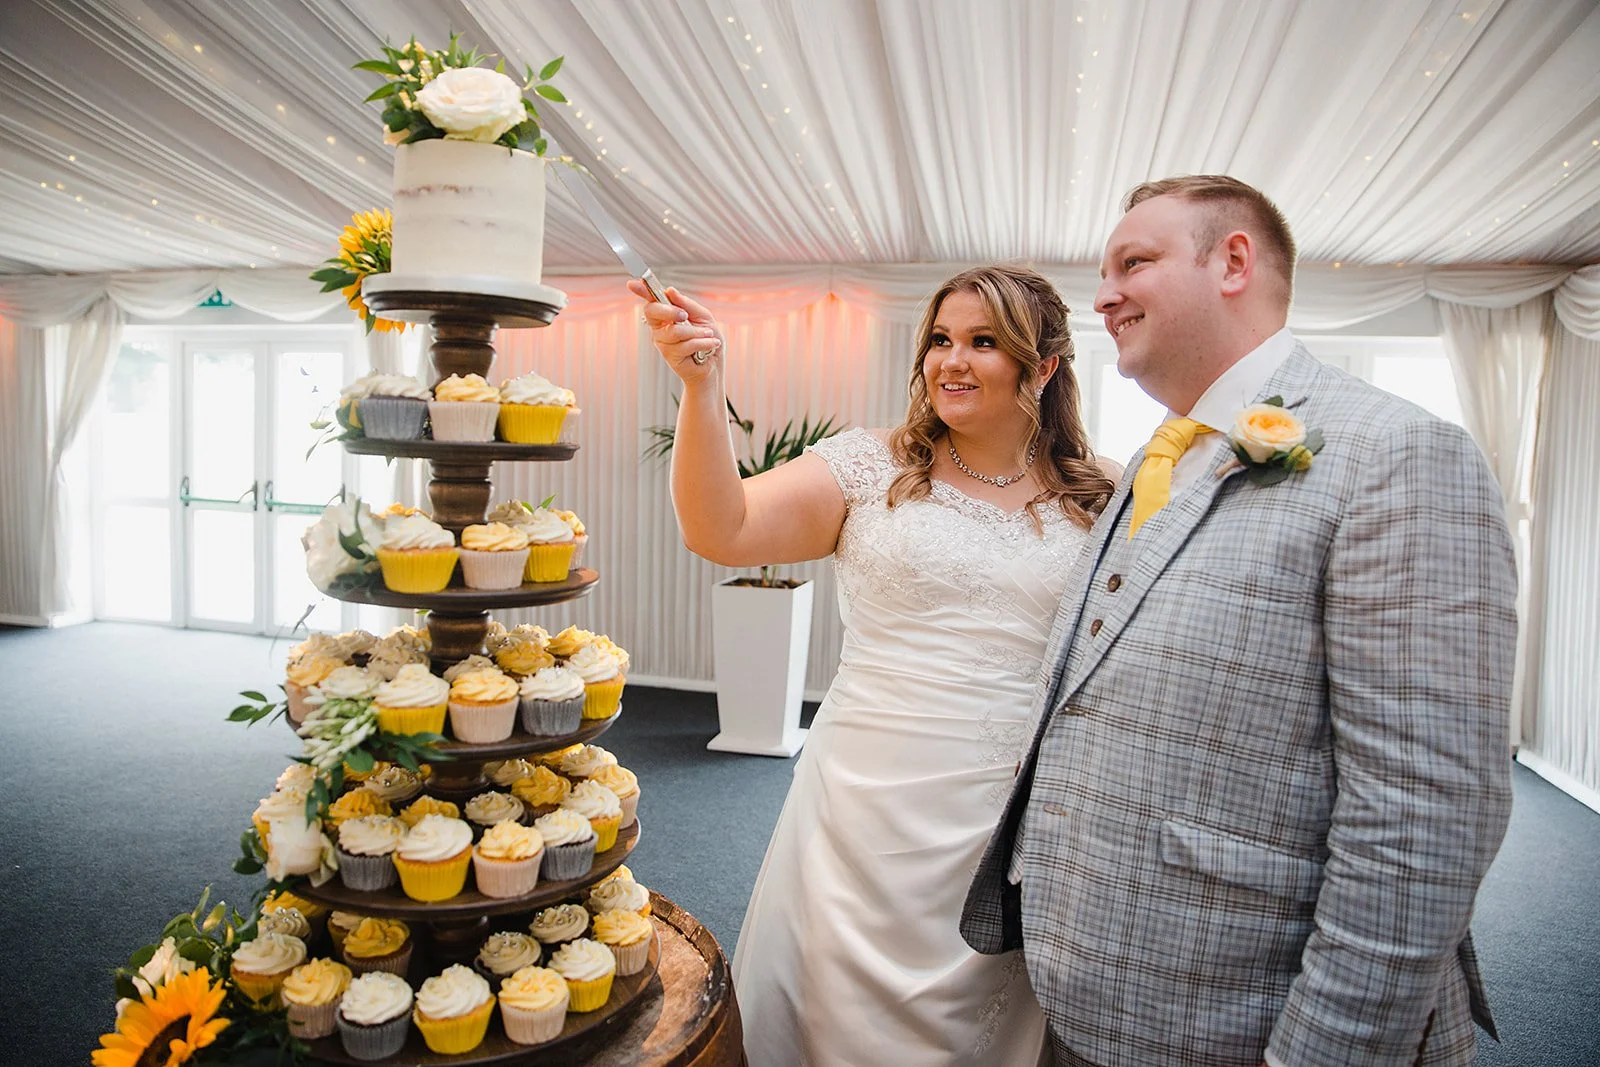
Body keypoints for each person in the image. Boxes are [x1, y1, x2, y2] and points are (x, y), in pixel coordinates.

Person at [962, 175, 1518, 1067]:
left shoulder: (1398, 453)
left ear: (1232, 263)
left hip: (1236, 1016)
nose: (1102, 295)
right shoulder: (1155, 456)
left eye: (1132, 263)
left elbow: (1421, 821)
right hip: (1086, 993)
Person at [631, 265, 1117, 1065]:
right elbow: (722, 527)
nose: (951, 359)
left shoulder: (1101, 496)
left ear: (1044, 367)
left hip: (1000, 811)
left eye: (984, 342)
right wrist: (701, 385)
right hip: (863, 797)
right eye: (940, 339)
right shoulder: (869, 464)